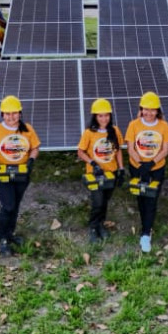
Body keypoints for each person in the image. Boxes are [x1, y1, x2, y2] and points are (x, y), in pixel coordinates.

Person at [0, 95, 41, 256]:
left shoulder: (27, 129)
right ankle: (3, 240)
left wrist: (31, 160)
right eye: (7, 113)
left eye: (14, 113)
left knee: (15, 206)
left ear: (20, 113)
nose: (11, 117)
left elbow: (35, 147)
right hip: (2, 175)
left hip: (21, 174)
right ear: (2, 115)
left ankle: (10, 234)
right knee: (7, 207)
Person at [125, 91, 168, 253]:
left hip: (156, 168)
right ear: (141, 109)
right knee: (141, 197)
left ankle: (146, 233)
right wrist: (140, 164)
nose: (149, 113)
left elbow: (165, 149)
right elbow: (130, 148)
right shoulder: (134, 125)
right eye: (146, 109)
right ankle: (145, 220)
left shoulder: (163, 126)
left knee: (151, 199)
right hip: (137, 167)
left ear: (157, 110)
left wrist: (152, 163)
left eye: (153, 110)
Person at [76, 99, 125, 243]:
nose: (104, 119)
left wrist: (121, 169)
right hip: (95, 174)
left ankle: (101, 225)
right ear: (95, 117)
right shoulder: (89, 133)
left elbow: (118, 151)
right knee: (97, 202)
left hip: (112, 172)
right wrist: (92, 163)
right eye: (100, 116)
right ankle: (93, 227)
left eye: (106, 115)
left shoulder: (115, 130)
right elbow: (80, 152)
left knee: (105, 201)